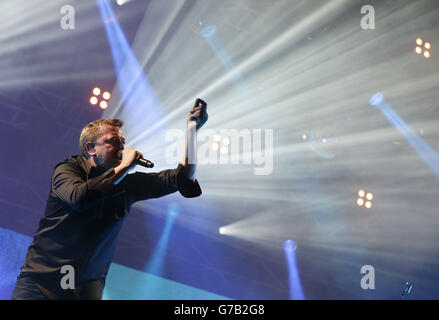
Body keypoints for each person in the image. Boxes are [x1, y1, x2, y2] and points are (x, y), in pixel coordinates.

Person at [11, 100, 208, 300]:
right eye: (112, 141)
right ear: (91, 148)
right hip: (42, 283)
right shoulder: (68, 170)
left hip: (84, 289)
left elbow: (183, 178)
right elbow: (79, 198)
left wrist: (191, 131)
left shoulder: (127, 184)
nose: (122, 146)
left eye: (123, 141)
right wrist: (124, 167)